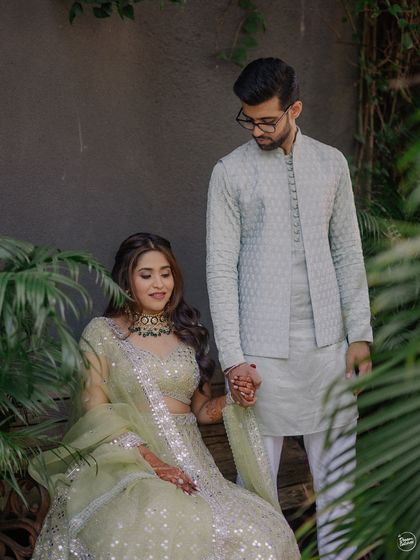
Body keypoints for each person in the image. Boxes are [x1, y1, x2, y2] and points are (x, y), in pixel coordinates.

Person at [29, 232, 300, 560]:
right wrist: (155, 465)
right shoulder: (102, 333)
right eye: (146, 275)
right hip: (129, 464)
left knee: (265, 533)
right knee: (160, 518)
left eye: (165, 273)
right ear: (126, 280)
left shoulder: (188, 332)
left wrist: (234, 399)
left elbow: (201, 410)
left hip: (197, 469)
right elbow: (95, 410)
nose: (159, 283)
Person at [206, 58, 373, 559]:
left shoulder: (332, 164)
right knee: (255, 487)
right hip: (261, 354)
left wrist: (359, 334)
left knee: (339, 481)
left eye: (267, 121)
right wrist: (234, 360)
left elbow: (347, 251)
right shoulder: (229, 173)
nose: (256, 130)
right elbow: (220, 268)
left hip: (329, 346)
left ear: (294, 109)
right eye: (248, 119)